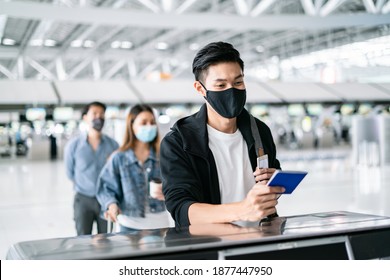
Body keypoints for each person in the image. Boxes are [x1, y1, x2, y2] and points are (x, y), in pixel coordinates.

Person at [160, 42, 284, 227]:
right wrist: (242, 210)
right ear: (200, 88)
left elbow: (272, 180)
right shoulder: (179, 142)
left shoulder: (259, 131)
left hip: (261, 238)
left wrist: (275, 183)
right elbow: (181, 210)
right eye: (220, 85)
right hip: (212, 247)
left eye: (238, 82)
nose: (231, 91)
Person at [96, 104, 173, 233]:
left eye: (152, 122)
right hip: (129, 224)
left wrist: (168, 191)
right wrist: (111, 204)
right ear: (131, 126)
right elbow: (106, 187)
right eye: (143, 123)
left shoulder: (164, 156)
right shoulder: (119, 158)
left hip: (160, 223)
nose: (149, 126)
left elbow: (178, 184)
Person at [64, 101, 119, 235]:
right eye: (94, 113)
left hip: (107, 200)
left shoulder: (113, 145)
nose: (98, 117)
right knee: (83, 239)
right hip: (83, 199)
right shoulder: (74, 146)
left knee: (106, 239)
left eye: (102, 114)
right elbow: (70, 172)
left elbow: (117, 172)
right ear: (85, 117)